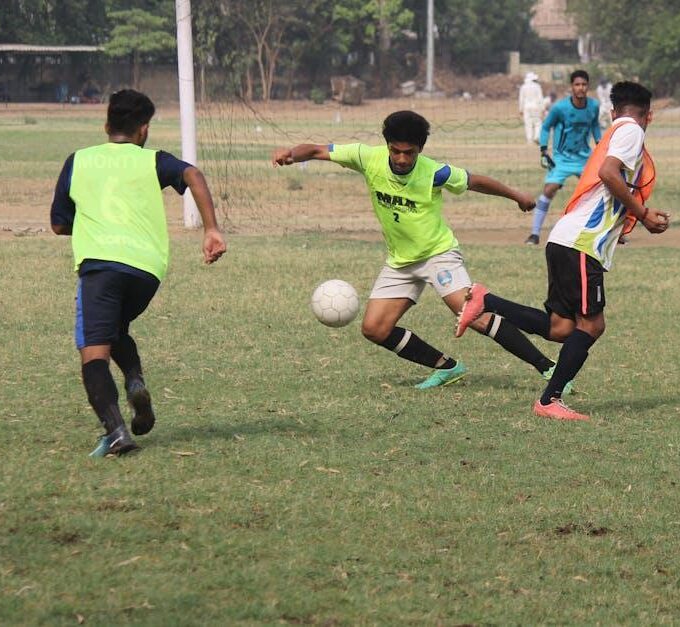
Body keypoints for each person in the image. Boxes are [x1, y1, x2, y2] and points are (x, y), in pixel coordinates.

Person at [271, 111, 569, 391]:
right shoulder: (367, 157)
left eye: (409, 152)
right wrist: (291, 155)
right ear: (386, 146)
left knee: (471, 313)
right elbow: (315, 150)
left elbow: (475, 181)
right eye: (395, 150)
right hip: (401, 262)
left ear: (420, 149)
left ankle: (549, 367)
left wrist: (516, 195)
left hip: (438, 255)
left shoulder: (434, 173)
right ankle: (446, 367)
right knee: (375, 328)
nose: (401, 159)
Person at [456, 81, 670, 421]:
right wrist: (642, 214)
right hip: (580, 243)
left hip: (566, 239)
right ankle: (549, 400)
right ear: (649, 116)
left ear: (612, 111)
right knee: (592, 325)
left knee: (560, 329)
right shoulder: (631, 130)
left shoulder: (615, 129)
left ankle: (486, 300)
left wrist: (634, 216)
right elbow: (608, 174)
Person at [49, 89, 228, 457]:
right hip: (147, 271)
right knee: (115, 330)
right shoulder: (153, 161)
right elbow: (192, 173)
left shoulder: (77, 160)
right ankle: (134, 381)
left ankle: (116, 433)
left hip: (100, 267)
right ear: (143, 130)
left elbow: (58, 225)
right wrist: (211, 228)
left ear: (106, 125)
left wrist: (90, 223)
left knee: (93, 351)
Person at [524, 69, 602, 246]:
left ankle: (606, 232)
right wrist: (544, 150)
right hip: (561, 158)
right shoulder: (560, 107)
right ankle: (535, 234)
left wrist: (600, 145)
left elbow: (595, 126)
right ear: (571, 87)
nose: (581, 88)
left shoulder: (594, 106)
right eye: (577, 84)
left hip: (584, 158)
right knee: (549, 190)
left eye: (584, 84)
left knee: (599, 192)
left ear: (588, 87)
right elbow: (545, 127)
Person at [518, 72, 545, 145]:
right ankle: (536, 136)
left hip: (526, 107)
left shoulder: (523, 87)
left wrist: (520, 109)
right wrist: (542, 108)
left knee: (528, 124)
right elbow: (540, 98)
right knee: (538, 123)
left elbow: (521, 99)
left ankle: (529, 140)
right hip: (536, 107)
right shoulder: (537, 86)